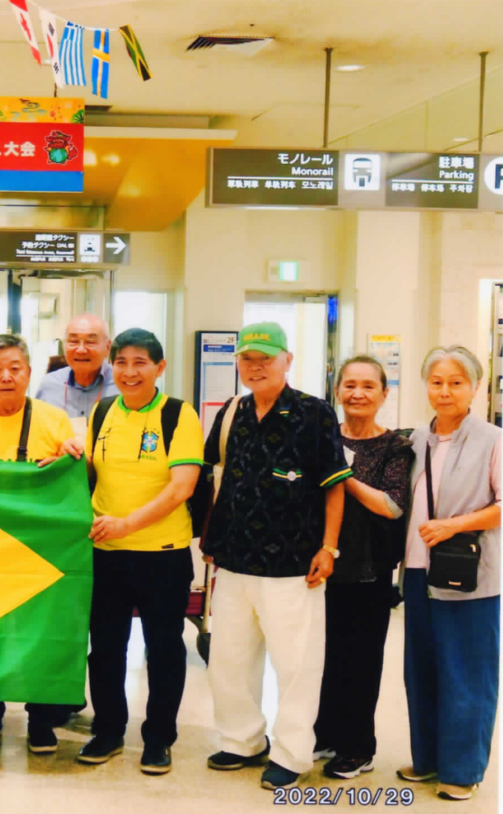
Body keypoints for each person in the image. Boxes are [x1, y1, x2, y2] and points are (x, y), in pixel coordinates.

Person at [201, 322, 351, 791]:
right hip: (235, 561)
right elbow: (215, 476)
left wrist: (329, 547)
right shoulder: (233, 412)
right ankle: (242, 739)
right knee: (228, 658)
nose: (256, 365)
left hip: (294, 564)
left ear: (287, 360)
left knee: (296, 664)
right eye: (248, 358)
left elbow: (334, 487)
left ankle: (291, 753)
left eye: (266, 357)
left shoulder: (313, 413)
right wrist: (211, 545)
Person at [0, 333, 84, 753]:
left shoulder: (53, 419)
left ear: (29, 373)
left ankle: (42, 720)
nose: (6, 377)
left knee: (40, 635)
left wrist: (71, 456)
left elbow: (68, 476)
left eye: (15, 368)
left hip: (38, 550)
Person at [81, 329, 203, 774]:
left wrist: (126, 523)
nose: (130, 372)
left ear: (160, 367)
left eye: (140, 363)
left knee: (164, 648)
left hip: (162, 553)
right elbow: (90, 471)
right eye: (121, 362)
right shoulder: (104, 410)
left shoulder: (178, 415)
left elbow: (182, 487)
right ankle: (108, 730)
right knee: (106, 647)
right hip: (106, 552)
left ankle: (158, 739)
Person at [398, 346, 500, 803]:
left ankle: (462, 769)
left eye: (456, 382)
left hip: (469, 574)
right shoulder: (415, 439)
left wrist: (452, 525)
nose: (445, 391)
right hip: (417, 572)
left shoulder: (493, 440)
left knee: (467, 673)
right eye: (437, 381)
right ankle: (428, 760)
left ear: (475, 388)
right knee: (420, 668)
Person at [312, 356, 413, 780]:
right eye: (349, 385)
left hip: (369, 572)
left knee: (360, 661)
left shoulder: (395, 446)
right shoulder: (322, 437)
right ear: (337, 391)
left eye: (368, 386)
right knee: (321, 658)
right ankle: (326, 735)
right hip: (318, 568)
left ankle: (358, 748)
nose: (357, 393)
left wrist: (340, 473)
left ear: (384, 394)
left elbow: (390, 506)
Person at [35, 314, 118, 436]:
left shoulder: (121, 384)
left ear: (107, 347)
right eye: (73, 341)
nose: (81, 350)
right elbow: (36, 432)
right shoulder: (49, 384)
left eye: (90, 342)